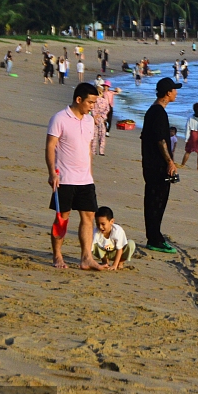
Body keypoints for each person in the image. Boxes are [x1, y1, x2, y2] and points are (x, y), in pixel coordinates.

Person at [46, 82, 106, 270]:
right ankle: (57, 256)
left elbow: (88, 148)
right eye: (90, 102)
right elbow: (50, 146)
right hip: (64, 177)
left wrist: (90, 173)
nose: (92, 106)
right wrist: (51, 173)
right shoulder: (59, 118)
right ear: (78, 100)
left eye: (94, 102)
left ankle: (86, 257)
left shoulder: (89, 120)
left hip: (85, 179)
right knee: (62, 217)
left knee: (89, 216)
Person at [142, 78, 181, 253]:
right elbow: (160, 140)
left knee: (154, 201)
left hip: (151, 164)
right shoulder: (158, 113)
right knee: (156, 202)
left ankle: (154, 236)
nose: (176, 93)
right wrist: (170, 162)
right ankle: (155, 239)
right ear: (167, 93)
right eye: (174, 90)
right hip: (157, 166)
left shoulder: (153, 111)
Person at [92, 206, 135, 270]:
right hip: (104, 253)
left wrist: (115, 265)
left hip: (117, 253)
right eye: (98, 224)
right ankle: (105, 261)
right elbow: (89, 248)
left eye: (103, 224)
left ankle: (120, 263)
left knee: (131, 244)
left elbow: (119, 249)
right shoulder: (96, 232)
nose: (100, 227)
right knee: (90, 242)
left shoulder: (118, 231)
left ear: (111, 221)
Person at [181, 102, 198, 170]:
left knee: (188, 151)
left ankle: (182, 164)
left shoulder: (190, 117)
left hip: (193, 134)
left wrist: (186, 138)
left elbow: (187, 128)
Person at [91, 83, 111, 156]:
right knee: (102, 136)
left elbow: (92, 109)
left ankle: (93, 150)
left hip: (94, 119)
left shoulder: (94, 100)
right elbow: (107, 109)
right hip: (101, 120)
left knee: (94, 136)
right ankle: (101, 151)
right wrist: (102, 116)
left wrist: (94, 116)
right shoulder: (105, 101)